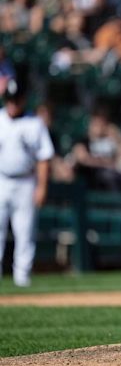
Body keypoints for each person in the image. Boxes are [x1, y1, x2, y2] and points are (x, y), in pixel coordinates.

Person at [0, 78, 54, 286]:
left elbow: (44, 158)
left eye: (16, 100)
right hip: (2, 179)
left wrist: (41, 186)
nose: (12, 104)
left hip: (25, 181)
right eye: (9, 100)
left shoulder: (34, 123)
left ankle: (22, 277)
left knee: (25, 231)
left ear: (23, 100)